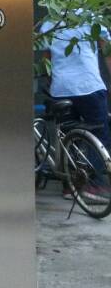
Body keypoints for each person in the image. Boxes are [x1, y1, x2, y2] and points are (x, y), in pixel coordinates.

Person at [40, 16, 111, 193]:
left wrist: (51, 82)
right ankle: (95, 183)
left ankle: (70, 186)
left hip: (61, 90)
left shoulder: (49, 24)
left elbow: (46, 61)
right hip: (90, 87)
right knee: (100, 135)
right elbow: (107, 52)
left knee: (67, 137)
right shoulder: (92, 19)